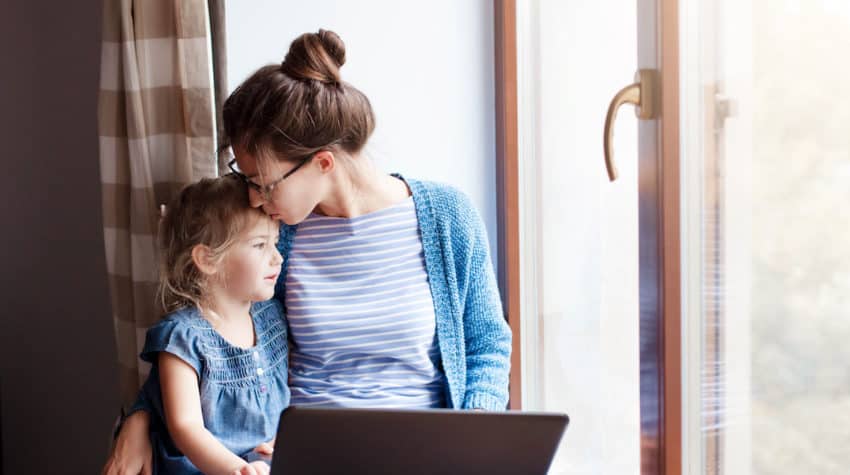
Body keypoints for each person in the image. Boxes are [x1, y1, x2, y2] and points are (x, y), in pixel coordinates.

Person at [103, 28, 511, 475]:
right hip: (305, 459)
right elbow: (211, 332)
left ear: (322, 163)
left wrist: (474, 442)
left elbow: (487, 343)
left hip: (426, 457)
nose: (255, 198)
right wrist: (141, 415)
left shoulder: (446, 216)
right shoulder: (275, 237)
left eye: (264, 182)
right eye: (249, 179)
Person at [112, 176, 289, 475]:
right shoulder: (183, 336)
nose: (277, 258)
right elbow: (186, 427)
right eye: (260, 245)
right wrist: (238, 469)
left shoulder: (272, 316)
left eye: (275, 242)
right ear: (208, 259)